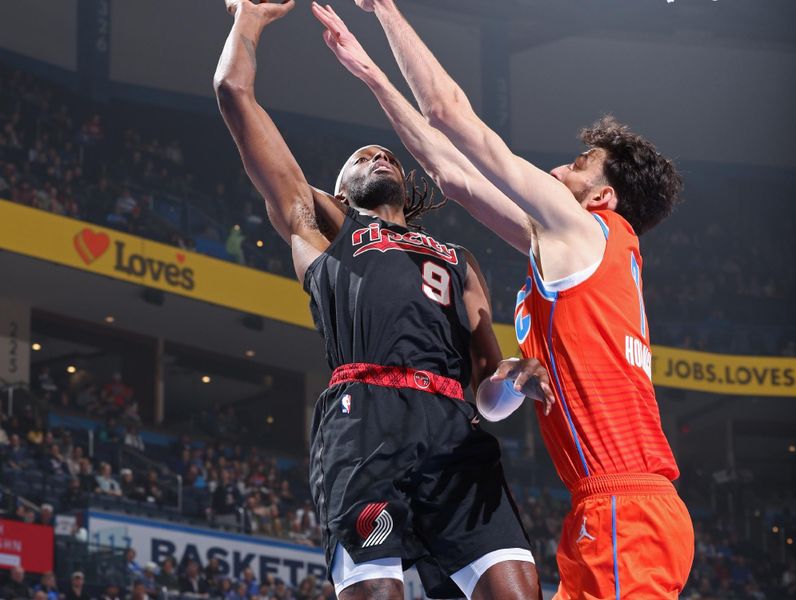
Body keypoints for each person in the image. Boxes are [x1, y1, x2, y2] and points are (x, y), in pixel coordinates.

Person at [313, 1, 694, 598]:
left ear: (602, 199)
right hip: (605, 505)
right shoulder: (575, 248)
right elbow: (454, 180)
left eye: (579, 165)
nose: (561, 166)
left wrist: (384, 10)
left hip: (628, 508)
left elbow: (449, 113)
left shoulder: (581, 230)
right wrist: (372, 77)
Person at [213, 1, 556, 599]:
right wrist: (248, 18)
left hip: (454, 434)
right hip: (364, 423)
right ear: (340, 189)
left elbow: (488, 395)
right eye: (360, 158)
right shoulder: (322, 227)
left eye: (387, 154)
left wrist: (514, 378)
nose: (377, 155)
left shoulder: (457, 259)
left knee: (519, 590)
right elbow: (232, 91)